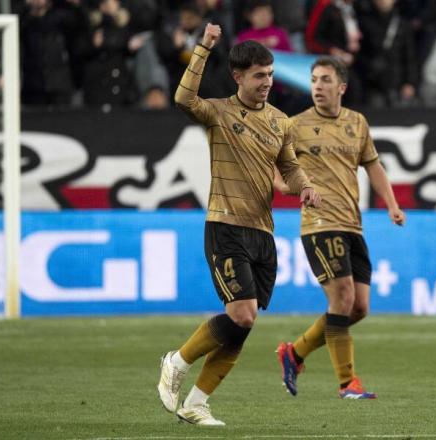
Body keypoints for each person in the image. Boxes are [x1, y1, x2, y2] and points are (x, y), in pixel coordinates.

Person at [157, 24, 321, 426]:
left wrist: (305, 186)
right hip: (225, 226)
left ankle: (196, 403)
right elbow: (182, 98)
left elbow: (291, 168)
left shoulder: (281, 122)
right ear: (238, 77)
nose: (267, 82)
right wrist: (204, 48)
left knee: (242, 326)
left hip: (263, 233)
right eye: (258, 76)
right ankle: (177, 360)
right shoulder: (218, 111)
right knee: (242, 315)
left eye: (270, 74)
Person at [274, 56, 405, 399]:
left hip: (352, 223)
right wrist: (290, 186)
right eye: (314, 80)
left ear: (341, 87)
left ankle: (295, 352)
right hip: (319, 223)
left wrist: (391, 204)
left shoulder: (357, 123)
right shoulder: (295, 125)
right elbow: (273, 167)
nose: (317, 86)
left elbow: (373, 166)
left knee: (358, 307)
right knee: (343, 296)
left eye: (325, 80)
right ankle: (348, 383)